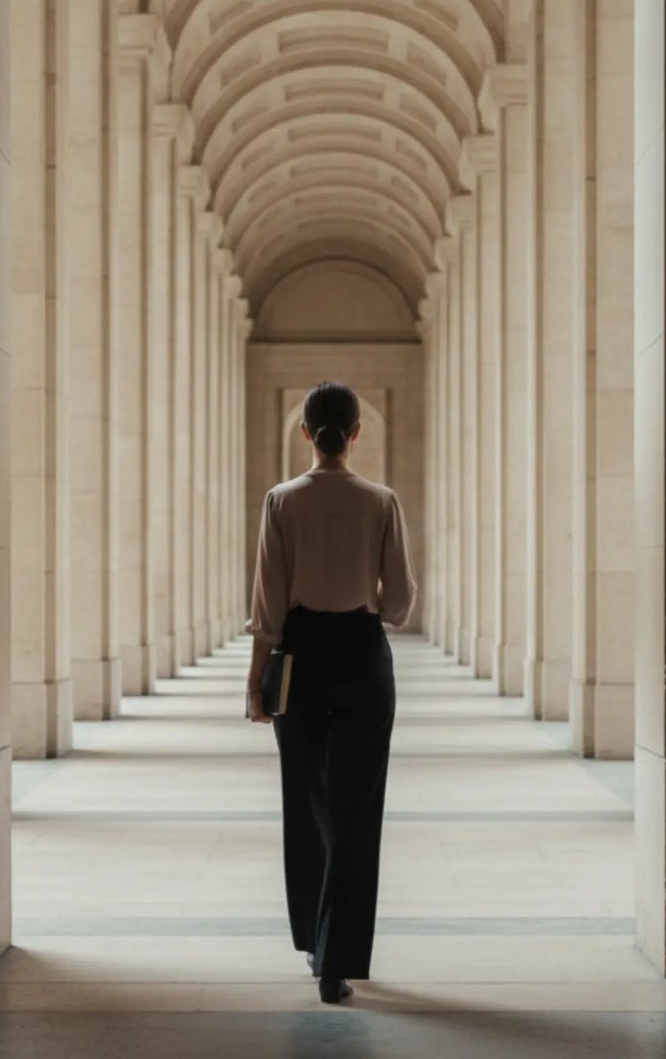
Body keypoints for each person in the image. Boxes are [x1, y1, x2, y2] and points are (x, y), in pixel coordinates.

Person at [245, 381, 418, 1005]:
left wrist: (256, 678)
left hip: (299, 655)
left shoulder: (280, 501)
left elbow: (268, 600)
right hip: (362, 654)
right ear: (355, 432)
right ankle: (337, 959)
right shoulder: (381, 501)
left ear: (305, 431)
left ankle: (315, 940)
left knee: (308, 798)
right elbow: (398, 603)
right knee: (356, 807)